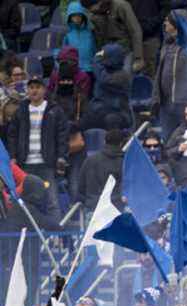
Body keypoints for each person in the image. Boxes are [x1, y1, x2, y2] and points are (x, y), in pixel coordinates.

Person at [6, 75, 69, 222]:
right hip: (24, 165)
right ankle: (26, 234)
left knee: (52, 200)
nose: (34, 91)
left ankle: (54, 238)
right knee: (22, 202)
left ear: (44, 90)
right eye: (31, 87)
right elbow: (12, 135)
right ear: (27, 90)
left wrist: (61, 157)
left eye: (37, 87)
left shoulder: (55, 111)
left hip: (47, 164)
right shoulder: (20, 110)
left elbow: (62, 136)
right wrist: (13, 156)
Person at [153, 13, 187, 138]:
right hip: (166, 105)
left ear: (176, 23)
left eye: (167, 20)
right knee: (168, 142)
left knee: (186, 141)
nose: (165, 23)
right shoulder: (166, 44)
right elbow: (159, 73)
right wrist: (156, 98)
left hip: (186, 105)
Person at [87, 0, 144, 73]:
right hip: (107, 51)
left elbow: (135, 30)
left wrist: (138, 57)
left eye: (92, 7)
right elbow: (99, 37)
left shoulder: (121, 6)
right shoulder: (94, 15)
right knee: (99, 67)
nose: (91, 10)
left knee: (125, 74)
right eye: (89, 9)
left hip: (126, 49)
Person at [76, 128, 125, 210]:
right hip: (117, 210)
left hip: (93, 209)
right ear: (121, 143)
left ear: (104, 141)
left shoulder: (90, 160)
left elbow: (81, 188)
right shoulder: (125, 162)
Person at [60, 2, 97, 75]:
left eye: (79, 15)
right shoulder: (67, 35)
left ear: (83, 16)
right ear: (69, 17)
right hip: (74, 69)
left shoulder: (90, 33)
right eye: (74, 16)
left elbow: (94, 50)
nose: (77, 18)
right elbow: (64, 53)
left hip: (90, 69)